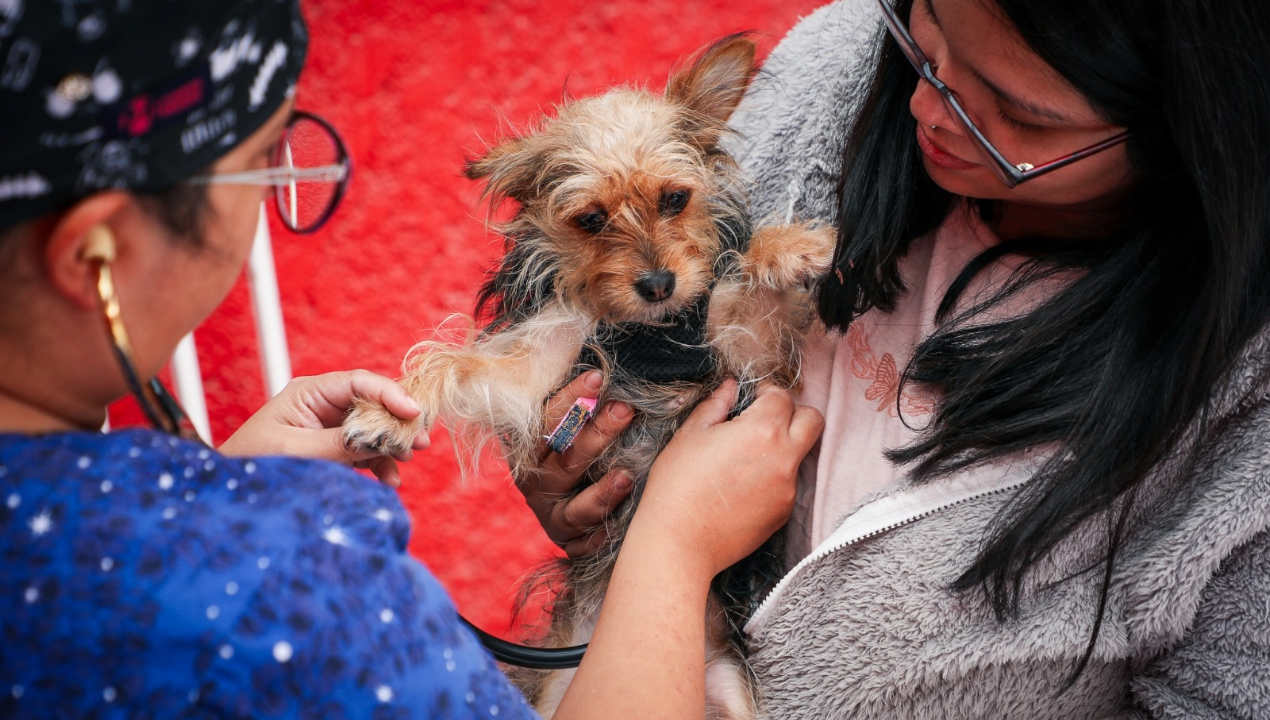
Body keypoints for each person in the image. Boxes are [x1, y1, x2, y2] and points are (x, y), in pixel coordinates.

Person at [0, 2, 822, 718]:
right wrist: (675, 543)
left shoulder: (83, 536)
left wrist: (224, 483)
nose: (279, 194)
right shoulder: (293, 577)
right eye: (264, 167)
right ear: (93, 254)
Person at [535, 0, 1270, 716]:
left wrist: (673, 541)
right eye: (929, 39)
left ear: (1193, 130)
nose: (929, 107)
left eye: (1021, 113)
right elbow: (639, 337)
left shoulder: (1245, 413)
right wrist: (605, 492)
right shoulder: (827, 74)